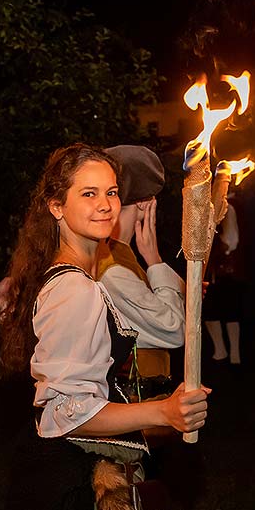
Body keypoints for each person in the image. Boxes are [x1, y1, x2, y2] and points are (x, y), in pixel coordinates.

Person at [0, 144, 209, 510]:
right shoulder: (75, 288)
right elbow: (63, 413)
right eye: (88, 194)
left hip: (79, 469)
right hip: (74, 482)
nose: (105, 205)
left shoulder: (79, 277)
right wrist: (162, 411)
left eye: (111, 193)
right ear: (56, 206)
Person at [97, 145, 185, 396]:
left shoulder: (121, 258)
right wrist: (156, 261)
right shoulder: (112, 269)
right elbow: (174, 330)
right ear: (147, 203)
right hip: (133, 402)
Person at [203, 194, 244, 365]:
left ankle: (233, 354)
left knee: (227, 312)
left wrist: (218, 244)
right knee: (214, 312)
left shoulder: (227, 209)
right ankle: (220, 350)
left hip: (224, 275)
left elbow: (231, 241)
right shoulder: (214, 208)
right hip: (216, 273)